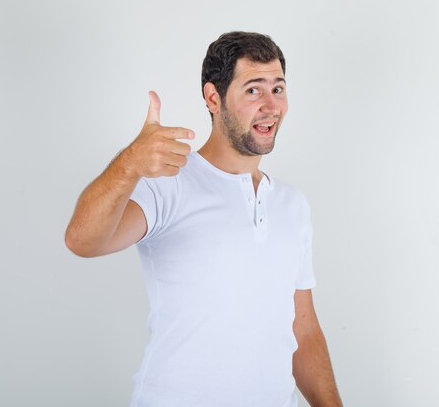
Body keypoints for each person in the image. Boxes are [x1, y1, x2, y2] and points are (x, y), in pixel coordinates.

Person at [65, 31, 343, 407]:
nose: (270, 105)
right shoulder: (168, 184)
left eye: (278, 89)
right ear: (214, 98)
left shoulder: (293, 205)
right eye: (253, 90)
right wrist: (130, 163)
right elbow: (83, 240)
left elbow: (304, 328)